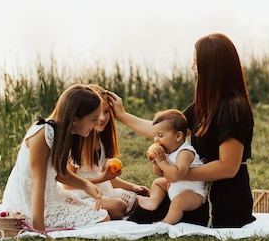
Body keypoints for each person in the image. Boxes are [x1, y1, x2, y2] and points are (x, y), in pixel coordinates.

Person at [108, 33, 256, 228]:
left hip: (222, 199)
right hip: (195, 186)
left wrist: (179, 174)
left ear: (212, 67)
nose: (193, 67)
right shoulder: (205, 104)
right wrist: (122, 115)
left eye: (197, 62)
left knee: (148, 216)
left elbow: (228, 167)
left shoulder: (232, 108)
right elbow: (164, 131)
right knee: (141, 214)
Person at [0, 84, 110, 231]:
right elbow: (38, 183)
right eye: (93, 119)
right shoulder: (42, 134)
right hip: (29, 203)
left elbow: (58, 172)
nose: (95, 124)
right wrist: (39, 230)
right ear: (75, 119)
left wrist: (86, 185)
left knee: (102, 214)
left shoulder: (63, 134)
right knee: (103, 219)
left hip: (51, 196)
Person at [62, 85, 149, 219]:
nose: (102, 118)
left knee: (141, 201)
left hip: (103, 190)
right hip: (80, 194)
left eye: (107, 111)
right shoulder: (77, 143)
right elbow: (66, 184)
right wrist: (102, 178)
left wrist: (133, 187)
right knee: (118, 206)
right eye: (97, 114)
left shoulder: (101, 141)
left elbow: (107, 178)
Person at [140, 109, 205, 224]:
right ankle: (153, 201)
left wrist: (161, 160)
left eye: (160, 135)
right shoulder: (169, 152)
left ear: (178, 136)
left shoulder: (185, 152)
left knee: (178, 202)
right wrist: (156, 163)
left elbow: (178, 173)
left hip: (192, 193)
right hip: (175, 187)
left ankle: (166, 222)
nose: (156, 140)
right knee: (158, 182)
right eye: (154, 135)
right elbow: (161, 173)